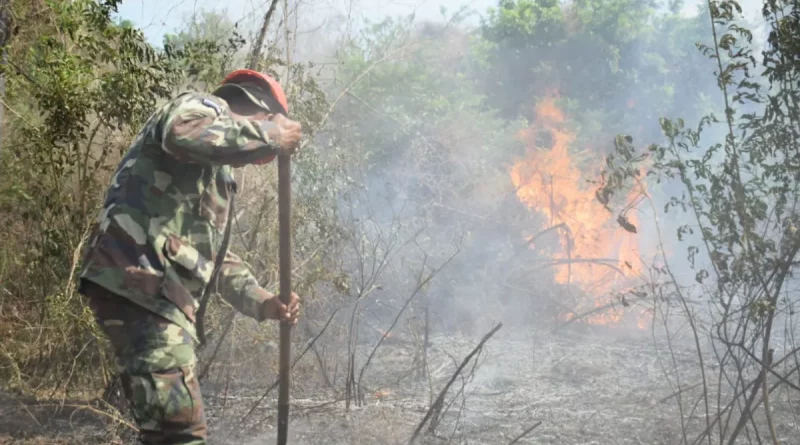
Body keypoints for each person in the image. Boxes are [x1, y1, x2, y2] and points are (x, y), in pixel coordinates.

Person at [78, 69, 303, 444]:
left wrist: (265, 302)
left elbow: (212, 258)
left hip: (152, 295)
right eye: (257, 151)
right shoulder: (202, 107)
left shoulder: (210, 175)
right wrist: (273, 136)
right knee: (178, 432)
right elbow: (181, 132)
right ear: (260, 111)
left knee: (170, 431)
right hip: (141, 285)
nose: (250, 160)